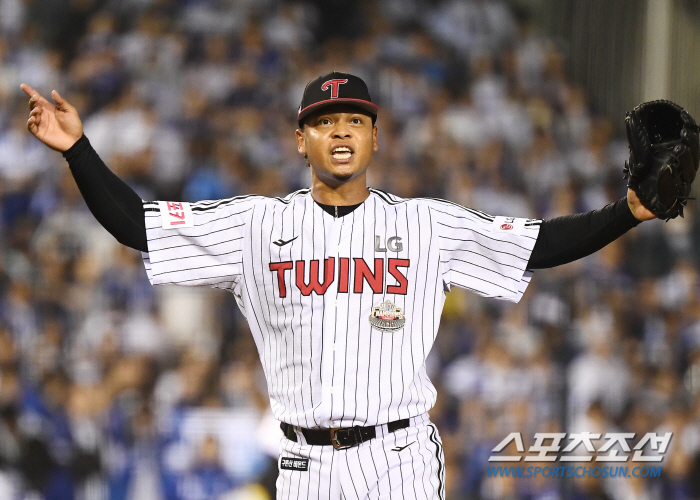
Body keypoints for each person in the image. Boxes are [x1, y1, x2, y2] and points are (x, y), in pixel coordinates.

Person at [21, 72, 655, 499]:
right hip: (302, 464)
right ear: (301, 140)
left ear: (376, 136)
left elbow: (537, 243)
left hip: (398, 455)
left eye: (356, 119)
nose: (343, 131)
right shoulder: (256, 225)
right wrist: (78, 149)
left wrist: (627, 211)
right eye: (326, 122)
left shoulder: (424, 224)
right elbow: (137, 226)